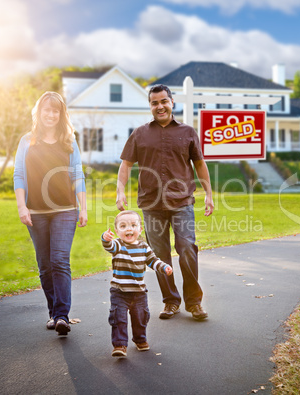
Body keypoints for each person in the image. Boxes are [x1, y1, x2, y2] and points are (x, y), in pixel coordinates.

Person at [116, 84, 214, 321]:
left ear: (172, 103)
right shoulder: (139, 133)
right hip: (151, 205)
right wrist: (120, 191)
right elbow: (126, 164)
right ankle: (170, 301)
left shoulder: (188, 132)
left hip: (182, 203)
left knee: (187, 249)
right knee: (159, 256)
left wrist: (208, 194)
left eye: (163, 101)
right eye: (154, 102)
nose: (159, 106)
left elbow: (199, 164)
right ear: (150, 106)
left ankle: (194, 303)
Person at [13, 91, 87, 336]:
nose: (51, 114)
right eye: (47, 109)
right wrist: (22, 206)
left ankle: (62, 315)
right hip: (35, 212)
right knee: (45, 264)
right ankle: (53, 312)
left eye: (56, 111)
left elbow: (78, 175)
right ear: (39, 111)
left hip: (65, 209)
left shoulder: (69, 141)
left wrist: (83, 207)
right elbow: (19, 176)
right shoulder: (26, 141)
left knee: (59, 260)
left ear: (61, 114)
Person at [101, 210, 173, 357]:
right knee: (118, 318)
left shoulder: (144, 247)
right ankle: (120, 345)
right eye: (123, 226)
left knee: (140, 317)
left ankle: (140, 339)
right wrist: (105, 238)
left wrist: (164, 267)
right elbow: (108, 246)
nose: (129, 229)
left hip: (139, 292)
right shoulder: (118, 245)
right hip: (119, 291)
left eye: (133, 225)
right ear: (117, 231)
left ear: (140, 229)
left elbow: (153, 261)